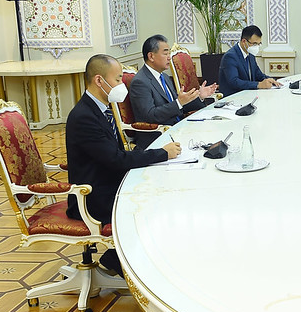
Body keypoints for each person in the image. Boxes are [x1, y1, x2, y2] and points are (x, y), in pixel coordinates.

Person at [66, 54, 181, 269]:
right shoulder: (84, 116)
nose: (122, 85)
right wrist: (161, 153)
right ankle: (130, 265)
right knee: (150, 206)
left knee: (162, 191)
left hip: (109, 182)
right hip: (93, 197)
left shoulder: (102, 108)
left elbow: (114, 155)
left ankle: (121, 259)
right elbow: (116, 159)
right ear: (99, 80)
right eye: (118, 79)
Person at [130, 35, 217, 149]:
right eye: (165, 53)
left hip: (178, 129)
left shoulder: (165, 77)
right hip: (158, 137)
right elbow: (150, 116)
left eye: (169, 53)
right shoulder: (140, 82)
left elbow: (179, 106)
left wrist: (199, 96)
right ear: (151, 56)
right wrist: (179, 103)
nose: (169, 57)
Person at [218, 25, 281, 97]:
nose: (257, 47)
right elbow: (234, 82)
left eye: (259, 44)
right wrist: (259, 85)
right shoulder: (230, 56)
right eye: (254, 44)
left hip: (249, 95)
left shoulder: (250, 54)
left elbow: (258, 74)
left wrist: (270, 80)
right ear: (244, 41)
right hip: (233, 98)